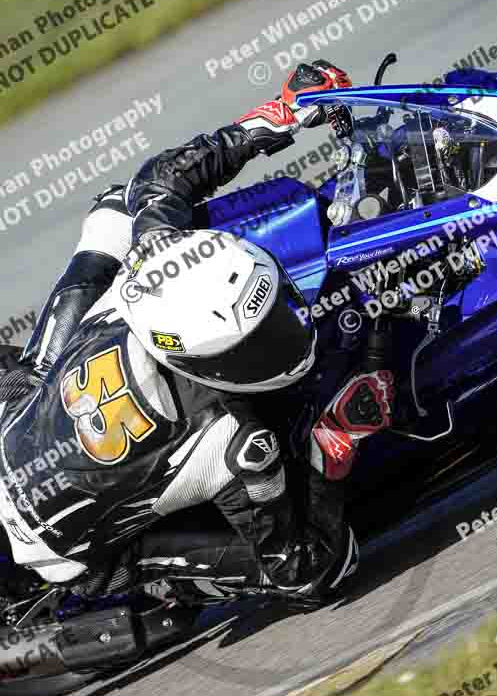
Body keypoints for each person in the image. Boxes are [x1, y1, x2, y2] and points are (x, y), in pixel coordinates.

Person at [0, 61, 392, 611]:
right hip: (57, 548)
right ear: (207, 365)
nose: (284, 333)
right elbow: (298, 568)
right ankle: (136, 585)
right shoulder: (233, 445)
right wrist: (337, 442)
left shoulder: (153, 258)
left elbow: (157, 182)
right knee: (322, 568)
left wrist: (274, 120)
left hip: (13, 407)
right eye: (257, 341)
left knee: (117, 211)